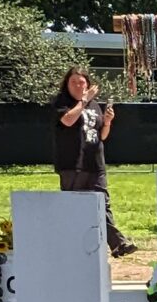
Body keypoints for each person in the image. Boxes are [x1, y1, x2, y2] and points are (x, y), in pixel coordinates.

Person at [50, 68, 134, 257]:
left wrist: (108, 122)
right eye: (74, 82)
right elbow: (68, 121)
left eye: (82, 83)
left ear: (88, 84)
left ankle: (117, 244)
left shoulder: (94, 105)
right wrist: (83, 100)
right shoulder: (61, 102)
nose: (79, 86)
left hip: (95, 162)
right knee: (76, 206)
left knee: (102, 204)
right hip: (72, 164)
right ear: (67, 84)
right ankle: (77, 246)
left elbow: (101, 136)